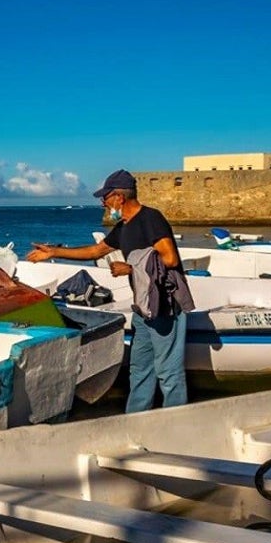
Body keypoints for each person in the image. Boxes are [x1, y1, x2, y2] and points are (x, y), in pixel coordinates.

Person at [25, 169, 194, 412]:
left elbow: (170, 259)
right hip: (143, 309)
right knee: (140, 370)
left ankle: (176, 424)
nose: (103, 203)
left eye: (104, 198)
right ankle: (135, 421)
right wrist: (54, 252)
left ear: (118, 197)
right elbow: (95, 251)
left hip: (165, 306)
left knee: (168, 372)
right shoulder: (124, 227)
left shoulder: (151, 219)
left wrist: (131, 268)